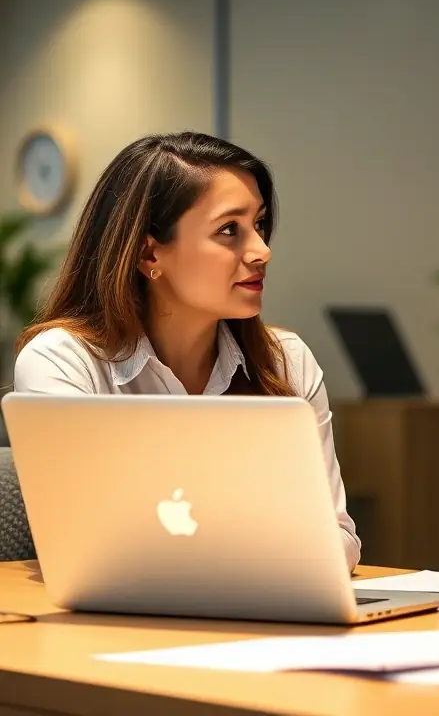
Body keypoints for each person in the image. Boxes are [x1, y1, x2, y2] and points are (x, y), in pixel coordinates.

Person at [13, 131, 361, 568]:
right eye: (229, 230)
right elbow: (88, 550)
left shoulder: (286, 362)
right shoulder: (63, 362)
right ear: (148, 254)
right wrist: (268, 549)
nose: (261, 251)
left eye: (259, 225)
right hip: (115, 629)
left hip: (271, 619)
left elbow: (338, 539)